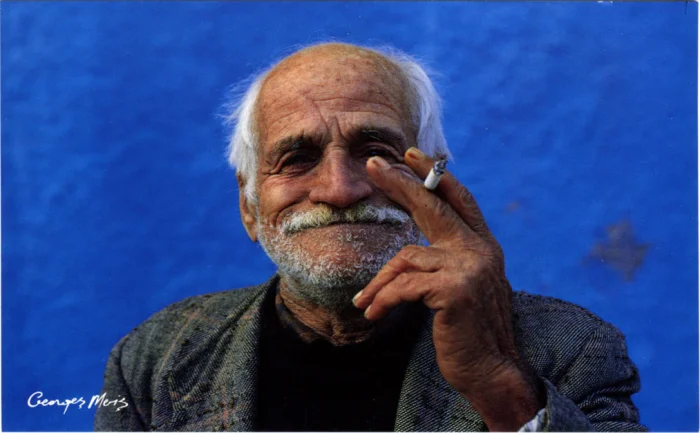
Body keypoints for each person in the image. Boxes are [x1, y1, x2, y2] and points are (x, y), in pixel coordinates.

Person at [95, 42, 645, 432]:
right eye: (297, 158)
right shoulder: (154, 360)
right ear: (249, 205)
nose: (340, 190)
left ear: (433, 184)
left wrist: (498, 382)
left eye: (376, 152)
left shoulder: (569, 349)